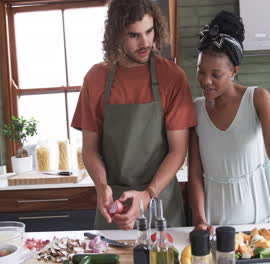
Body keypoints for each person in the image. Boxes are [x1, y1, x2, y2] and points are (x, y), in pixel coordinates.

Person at [188, 11, 270, 237]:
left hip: (263, 226)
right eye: (201, 72)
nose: (205, 81)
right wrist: (200, 220)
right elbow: (195, 173)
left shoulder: (257, 99)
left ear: (233, 72)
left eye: (215, 74)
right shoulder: (196, 108)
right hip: (216, 228)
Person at [71, 0, 196, 230]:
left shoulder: (172, 77)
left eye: (149, 32)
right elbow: (89, 149)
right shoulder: (96, 79)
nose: (145, 42)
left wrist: (147, 195)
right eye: (134, 35)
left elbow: (178, 151)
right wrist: (101, 186)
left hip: (160, 204)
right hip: (114, 207)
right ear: (116, 35)